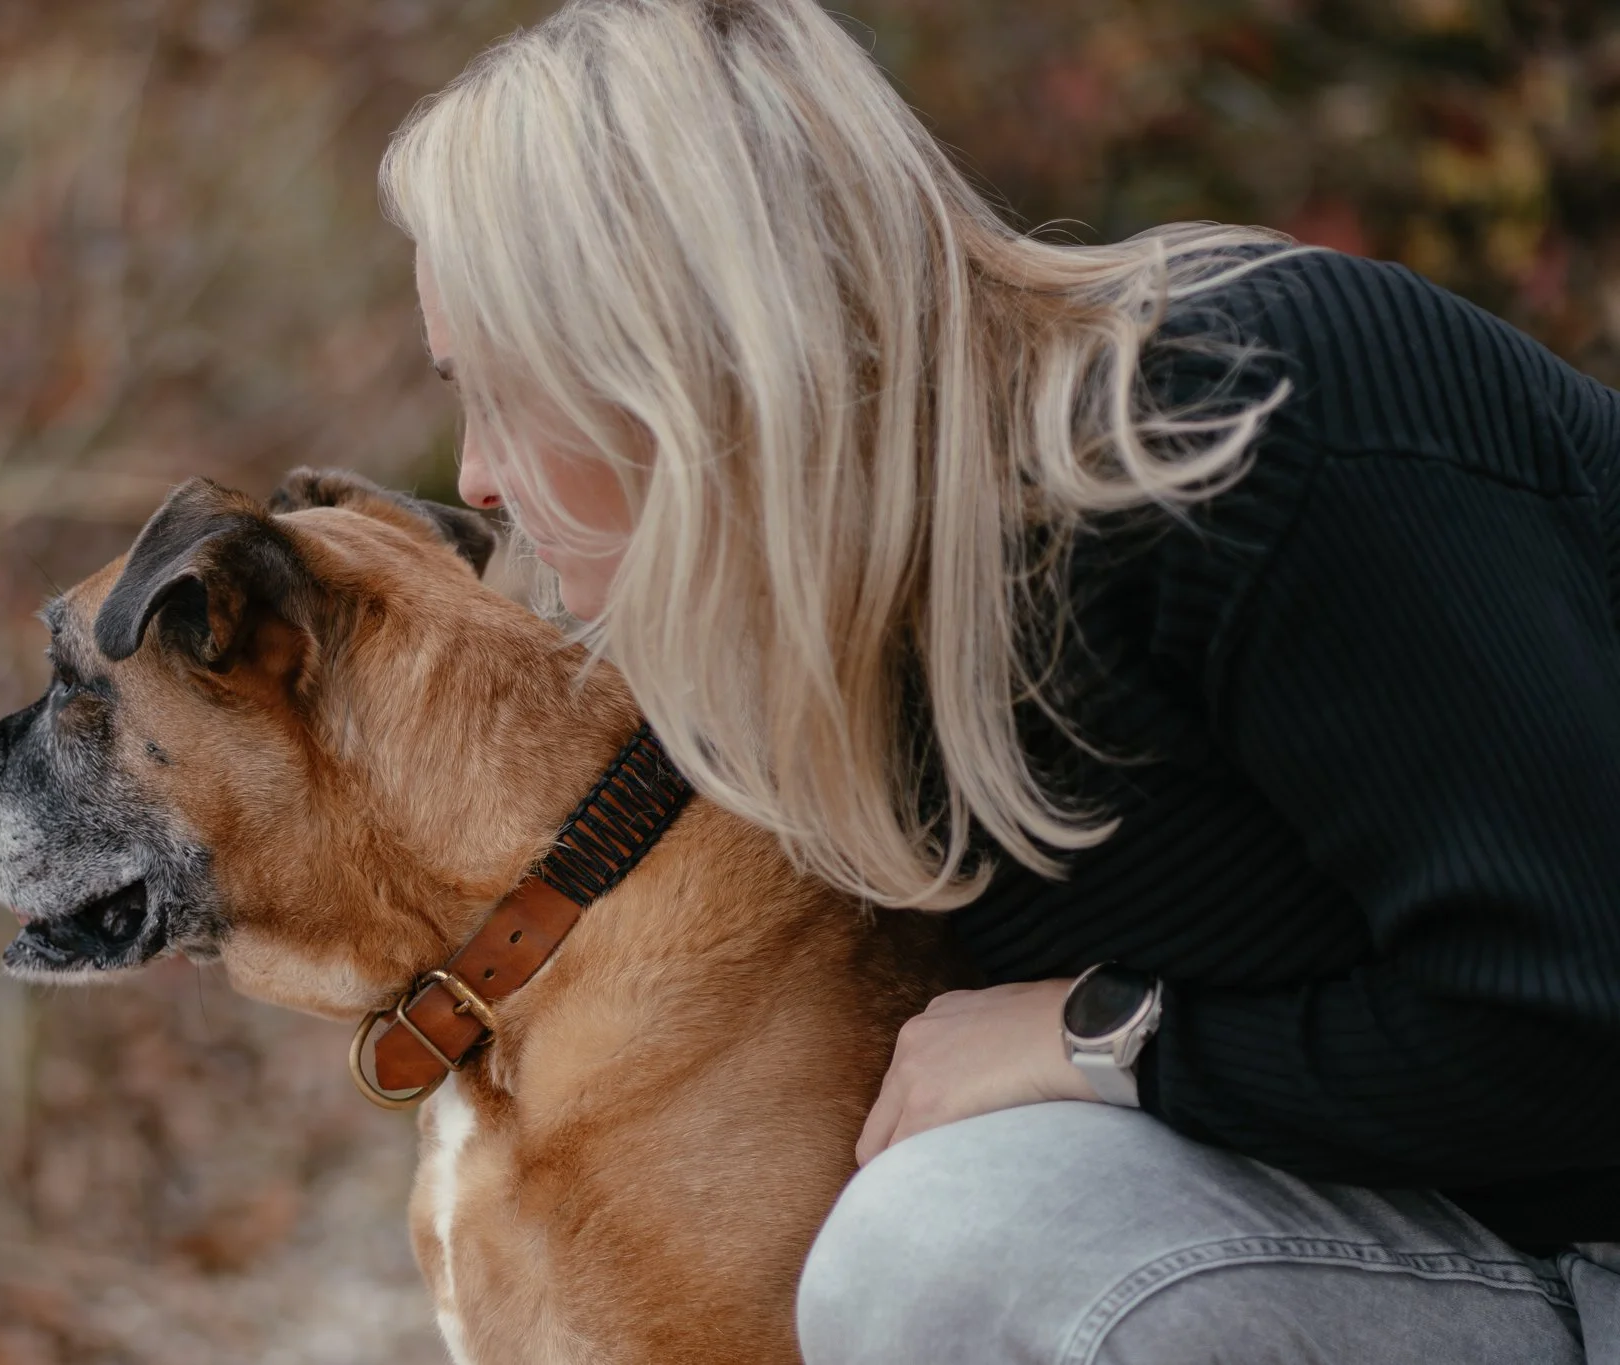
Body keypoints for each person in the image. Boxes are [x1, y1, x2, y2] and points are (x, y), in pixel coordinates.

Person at [381, 0, 1620, 1360]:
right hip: (1442, 1232)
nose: (477, 477)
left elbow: (1572, 1028)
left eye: (504, 389)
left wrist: (1103, 1035)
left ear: (681, 356)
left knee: (955, 1244)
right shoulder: (832, 649)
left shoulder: (1260, 424)